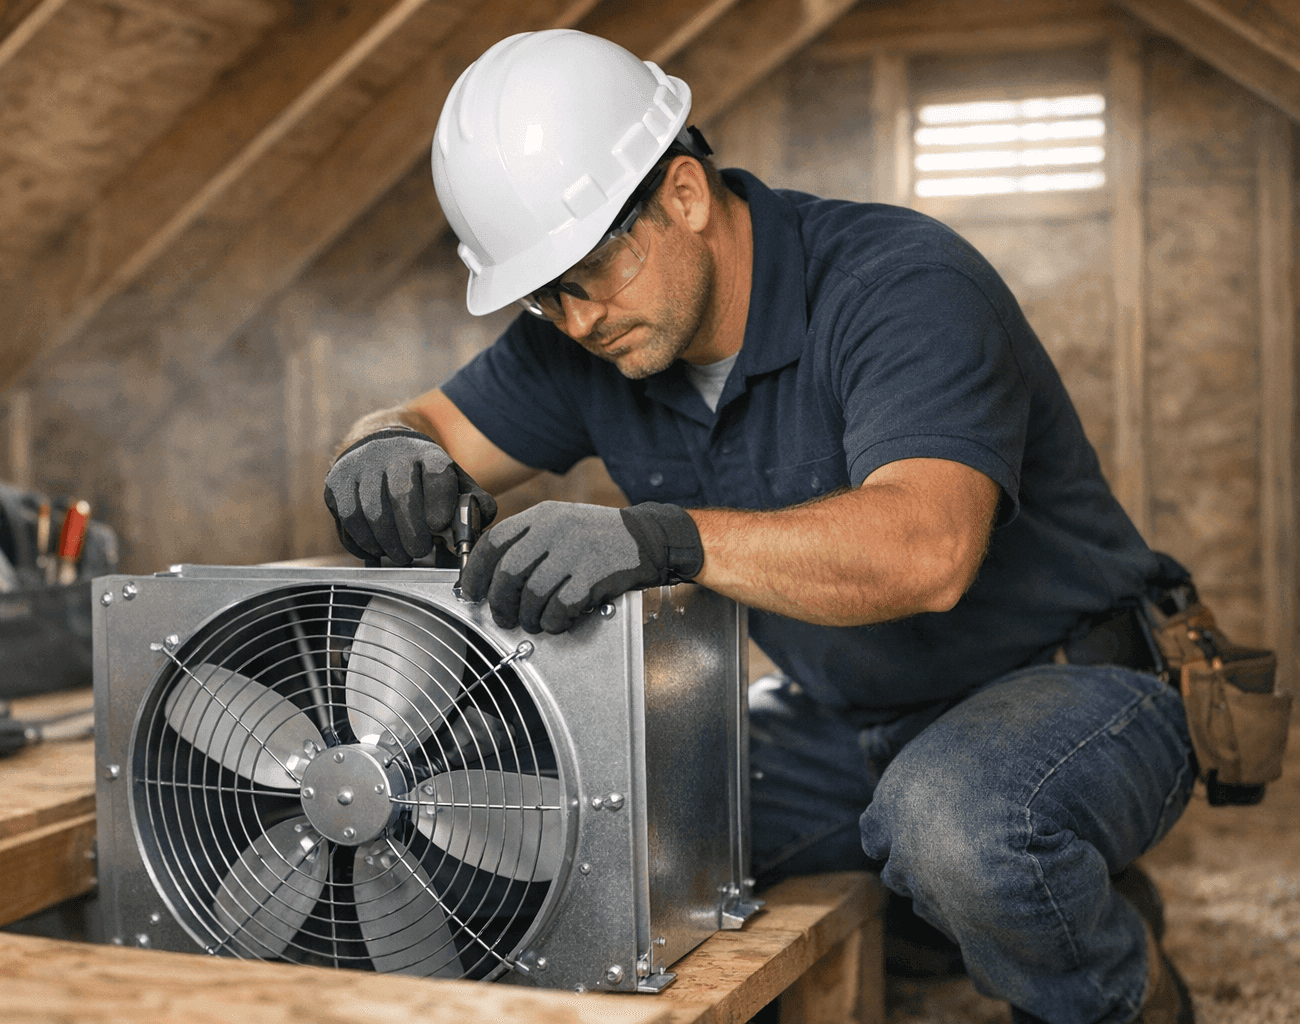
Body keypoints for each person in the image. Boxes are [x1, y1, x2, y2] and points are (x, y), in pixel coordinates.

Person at [323, 29, 1195, 1024]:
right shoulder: (584, 335)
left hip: (1073, 686)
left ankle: (1125, 985)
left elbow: (929, 551)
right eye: (543, 295)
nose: (577, 321)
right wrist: (378, 446)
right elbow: (422, 426)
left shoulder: (899, 285)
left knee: (958, 826)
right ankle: (986, 914)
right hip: (838, 722)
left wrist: (664, 540)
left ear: (684, 195)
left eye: (590, 273)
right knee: (570, 815)